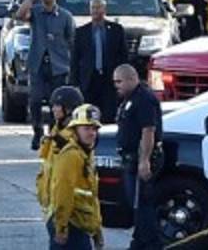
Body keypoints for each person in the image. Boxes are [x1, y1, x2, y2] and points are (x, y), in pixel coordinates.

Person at [16, 0, 77, 150]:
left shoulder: (65, 16)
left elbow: (72, 41)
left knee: (56, 102)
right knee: (35, 100)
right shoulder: (36, 12)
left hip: (58, 65)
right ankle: (37, 131)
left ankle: (54, 133)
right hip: (38, 63)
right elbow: (20, 15)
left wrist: (72, 65)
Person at [113, 64, 163, 250]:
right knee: (136, 204)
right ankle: (139, 242)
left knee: (143, 205)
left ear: (132, 79)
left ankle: (151, 244)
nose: (116, 85)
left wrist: (144, 160)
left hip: (140, 159)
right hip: (130, 159)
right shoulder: (130, 99)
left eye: (119, 81)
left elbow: (148, 131)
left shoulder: (144, 99)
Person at [48, 104, 106, 250]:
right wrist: (61, 227)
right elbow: (62, 192)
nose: (91, 133)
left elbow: (91, 197)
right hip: (70, 224)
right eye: (86, 128)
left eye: (94, 129)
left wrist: (96, 230)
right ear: (75, 130)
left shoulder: (85, 153)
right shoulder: (71, 155)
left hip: (80, 225)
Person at [70, 0, 128, 122]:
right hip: (89, 80)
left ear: (104, 10)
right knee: (89, 116)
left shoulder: (116, 30)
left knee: (109, 115)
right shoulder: (81, 32)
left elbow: (123, 56)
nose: (96, 11)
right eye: (93, 8)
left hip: (109, 79)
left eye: (99, 7)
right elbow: (75, 59)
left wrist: (122, 79)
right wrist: (74, 83)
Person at [36, 86, 85, 219]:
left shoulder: (74, 137)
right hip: (53, 205)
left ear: (68, 109)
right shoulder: (56, 132)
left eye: (57, 105)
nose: (53, 109)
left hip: (70, 212)